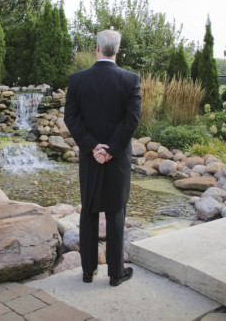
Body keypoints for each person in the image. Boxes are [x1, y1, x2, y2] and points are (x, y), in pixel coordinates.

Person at [64, 29, 141, 287]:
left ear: (97, 48)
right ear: (117, 50)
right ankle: (116, 274)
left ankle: (88, 271)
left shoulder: (77, 80)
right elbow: (131, 121)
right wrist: (110, 150)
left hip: (90, 157)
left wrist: (92, 147)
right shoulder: (131, 80)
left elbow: (71, 119)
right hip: (117, 159)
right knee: (116, 211)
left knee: (88, 211)